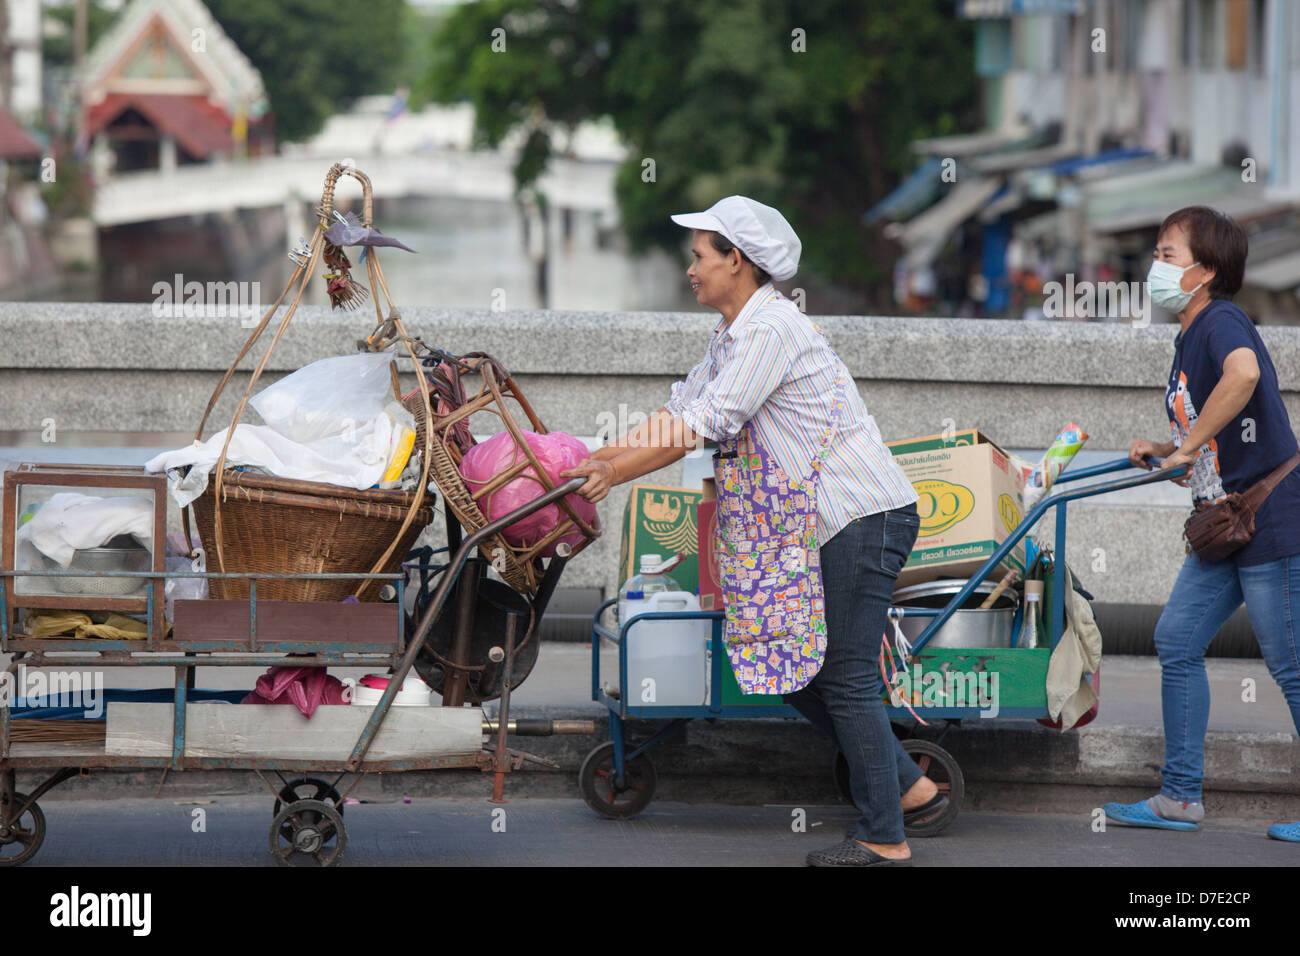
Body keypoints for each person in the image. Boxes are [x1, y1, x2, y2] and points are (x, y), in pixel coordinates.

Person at [561, 196, 944, 865]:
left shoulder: (773, 332)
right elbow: (679, 412)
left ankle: (885, 838)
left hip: (861, 516)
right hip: (821, 527)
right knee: (789, 668)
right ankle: (908, 787)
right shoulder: (734, 336)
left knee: (848, 677)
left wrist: (611, 474)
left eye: (700, 255)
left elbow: (701, 427)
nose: (691, 269)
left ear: (735, 261)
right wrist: (595, 462)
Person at [1103, 206, 1300, 842]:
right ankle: (1181, 797)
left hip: (1269, 520)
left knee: (1290, 663)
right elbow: (1213, 430)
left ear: (1205, 270)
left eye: (1167, 255)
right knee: (1177, 639)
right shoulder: (1191, 332)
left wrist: (1188, 446)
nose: (1155, 267)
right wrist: (1171, 448)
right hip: (1224, 524)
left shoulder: (1220, 319)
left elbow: (1242, 376)